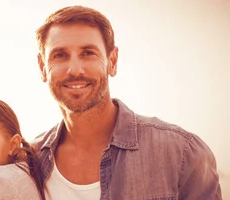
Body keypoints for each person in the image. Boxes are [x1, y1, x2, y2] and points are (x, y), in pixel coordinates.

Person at [32, 5, 222, 200]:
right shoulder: (29, 163)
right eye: (60, 55)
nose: (74, 69)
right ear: (42, 67)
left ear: (112, 61)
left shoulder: (181, 154)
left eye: (88, 53)